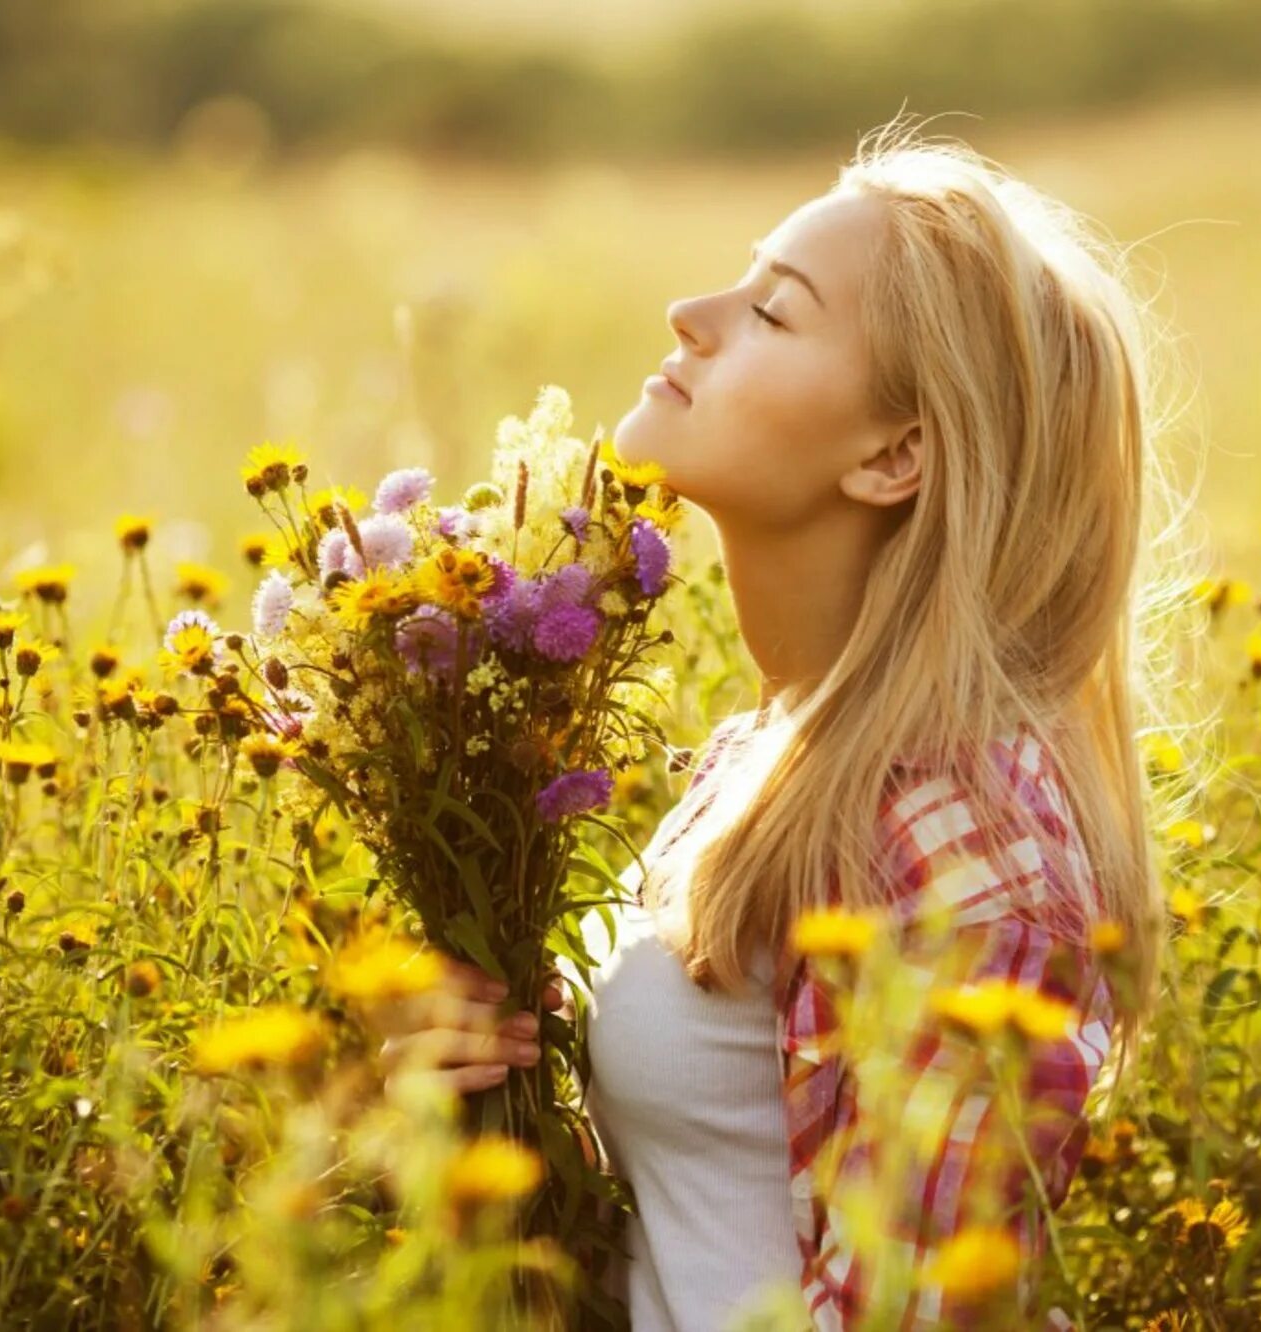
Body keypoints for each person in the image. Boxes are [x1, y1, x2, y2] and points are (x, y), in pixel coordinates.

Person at [374, 113, 1187, 1330]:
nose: (689, 312)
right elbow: (713, 1227)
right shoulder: (774, 753)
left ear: (894, 454)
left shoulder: (955, 841)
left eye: (773, 310)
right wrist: (477, 1120)